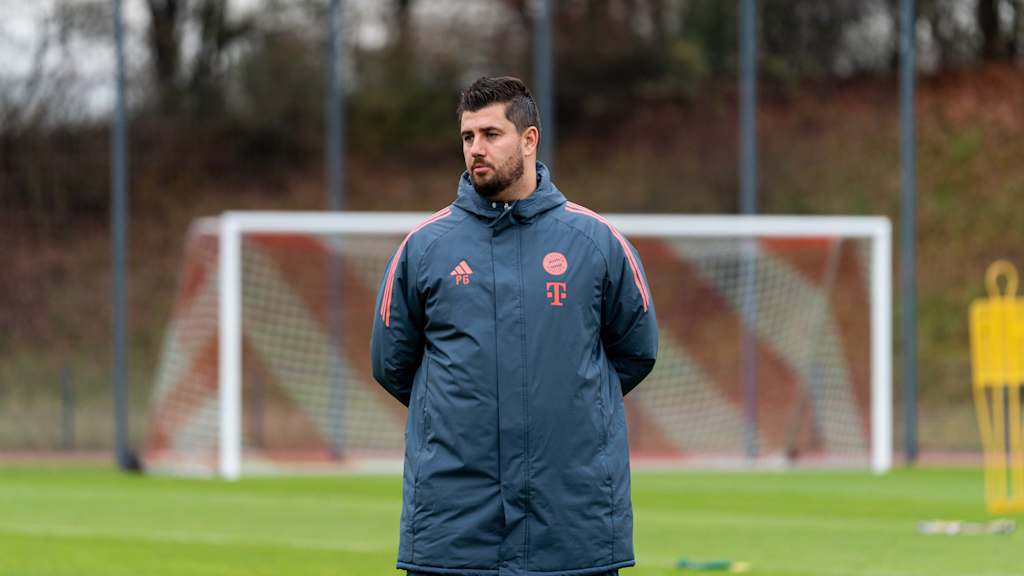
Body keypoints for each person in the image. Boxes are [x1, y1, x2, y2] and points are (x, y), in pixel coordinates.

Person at [371, 76, 659, 576]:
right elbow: (392, 365)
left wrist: (565, 408)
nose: (476, 149)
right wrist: (462, 415)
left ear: (529, 140)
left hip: (572, 523)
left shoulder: (594, 242)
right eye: (467, 137)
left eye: (491, 134)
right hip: (454, 525)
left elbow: (636, 351)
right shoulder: (425, 247)